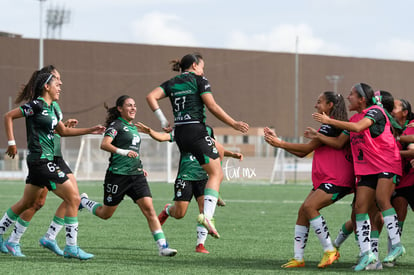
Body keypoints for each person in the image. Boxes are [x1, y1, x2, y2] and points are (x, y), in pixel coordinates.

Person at [0, 70, 104, 259]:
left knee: (28, 203)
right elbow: (8, 116)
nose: (60, 86)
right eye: (57, 83)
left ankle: (6, 237)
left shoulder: (51, 107)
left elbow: (63, 131)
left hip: (41, 162)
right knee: (73, 198)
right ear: (46, 86)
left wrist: (90, 130)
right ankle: (71, 247)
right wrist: (12, 143)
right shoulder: (36, 105)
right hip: (41, 161)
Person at [146, 53, 249, 238]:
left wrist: (163, 121)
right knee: (216, 172)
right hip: (196, 130)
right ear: (195, 66)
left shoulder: (171, 83)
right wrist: (233, 123)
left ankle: (210, 199)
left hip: (180, 133)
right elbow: (212, 106)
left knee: (212, 169)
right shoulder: (199, 80)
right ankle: (208, 216)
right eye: (202, 67)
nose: (203, 70)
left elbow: (150, 97)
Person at [312, 83, 404, 271]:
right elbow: (339, 142)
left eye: (352, 94)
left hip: (386, 163)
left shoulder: (375, 111)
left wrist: (329, 121)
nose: (348, 97)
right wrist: (317, 135)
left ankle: (396, 245)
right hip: (366, 169)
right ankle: (366, 254)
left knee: (381, 199)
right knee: (359, 209)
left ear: (362, 99)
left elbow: (357, 127)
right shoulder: (354, 117)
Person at [264, 91, 354, 268]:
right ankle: (298, 258)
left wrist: (280, 143)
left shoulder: (332, 126)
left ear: (330, 106)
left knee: (309, 207)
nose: (315, 105)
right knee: (303, 212)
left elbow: (307, 148)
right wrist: (278, 143)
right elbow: (303, 152)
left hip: (337, 179)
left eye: (319, 102)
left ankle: (330, 250)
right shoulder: (329, 127)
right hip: (327, 179)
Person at [79, 95, 177, 257]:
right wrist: (123, 152)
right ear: (120, 109)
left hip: (136, 175)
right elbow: (104, 144)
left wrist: (140, 166)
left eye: (135, 105)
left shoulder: (133, 128)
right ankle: (83, 201)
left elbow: (134, 152)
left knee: (150, 211)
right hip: (117, 176)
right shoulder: (116, 125)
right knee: (105, 214)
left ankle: (162, 247)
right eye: (129, 105)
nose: (133, 108)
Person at [135, 122, 243, 254]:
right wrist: (151, 131)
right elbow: (162, 137)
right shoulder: (181, 130)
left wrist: (232, 154)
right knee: (179, 214)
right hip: (186, 176)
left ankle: (200, 245)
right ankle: (168, 210)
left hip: (203, 177)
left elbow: (216, 148)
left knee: (205, 212)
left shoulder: (207, 129)